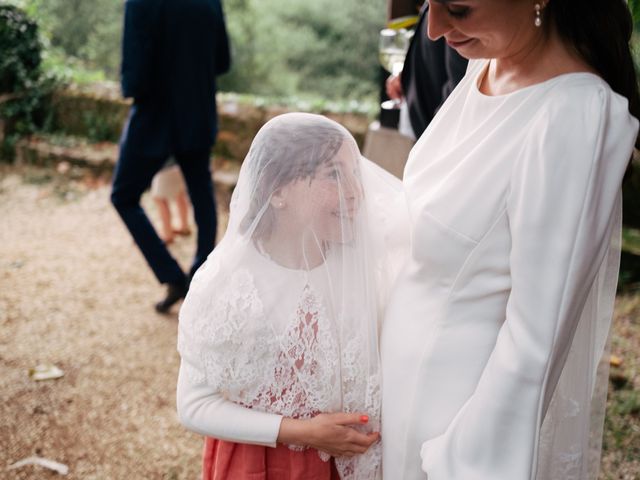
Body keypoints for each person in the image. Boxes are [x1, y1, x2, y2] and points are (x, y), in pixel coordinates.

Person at [380, 1, 640, 479]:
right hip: (395, 383)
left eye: (457, 7)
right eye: (429, 4)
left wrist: (461, 459)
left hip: (449, 417)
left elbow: (536, 340)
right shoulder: (485, 65)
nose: (434, 30)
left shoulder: (573, 115)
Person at [176, 113, 407, 480]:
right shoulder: (232, 285)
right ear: (277, 191)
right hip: (264, 465)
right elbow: (193, 405)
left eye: (354, 173)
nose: (355, 191)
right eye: (333, 175)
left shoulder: (362, 264)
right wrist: (305, 433)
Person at [110, 0, 230, 313]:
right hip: (196, 110)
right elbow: (222, 62)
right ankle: (200, 279)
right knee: (201, 194)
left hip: (154, 117)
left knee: (123, 195)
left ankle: (172, 276)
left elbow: (134, 74)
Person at [385, 1, 467, 139]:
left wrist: (432, 141)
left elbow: (458, 87)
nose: (432, 31)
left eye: (455, 9)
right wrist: (407, 75)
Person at [151, 159, 192, 244]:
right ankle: (184, 227)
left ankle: (167, 234)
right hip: (179, 164)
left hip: (164, 166)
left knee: (160, 199)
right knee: (180, 194)